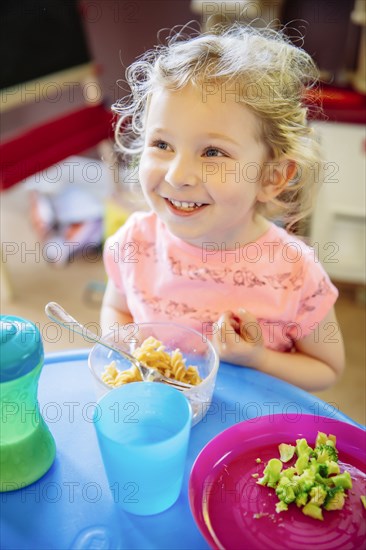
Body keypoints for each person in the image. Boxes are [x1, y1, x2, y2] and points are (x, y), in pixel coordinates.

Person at [100, 23, 345, 391]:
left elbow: (327, 368)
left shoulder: (295, 273)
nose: (178, 175)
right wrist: (132, 348)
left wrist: (258, 359)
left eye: (213, 152)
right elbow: (117, 311)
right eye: (162, 144)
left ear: (272, 177)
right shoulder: (135, 243)